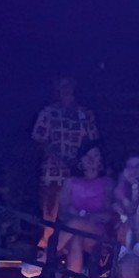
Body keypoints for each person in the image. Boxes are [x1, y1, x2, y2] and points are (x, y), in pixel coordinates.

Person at [32, 77, 97, 231]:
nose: (66, 89)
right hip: (53, 170)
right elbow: (39, 139)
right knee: (50, 208)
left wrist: (80, 161)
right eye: (62, 86)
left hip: (77, 168)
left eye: (69, 85)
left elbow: (92, 140)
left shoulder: (85, 114)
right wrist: (58, 159)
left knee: (75, 207)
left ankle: (72, 239)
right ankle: (48, 239)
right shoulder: (48, 113)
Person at [56, 141, 114, 278]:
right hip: (73, 232)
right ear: (80, 160)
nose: (91, 160)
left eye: (95, 155)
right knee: (76, 237)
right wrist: (83, 217)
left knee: (77, 223)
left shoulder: (107, 182)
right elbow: (63, 211)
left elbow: (108, 214)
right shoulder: (70, 182)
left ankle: (48, 255)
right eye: (87, 156)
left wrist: (84, 216)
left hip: (98, 233)